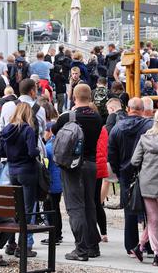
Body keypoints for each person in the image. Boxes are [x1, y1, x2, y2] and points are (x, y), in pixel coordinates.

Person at [52, 84, 103, 261]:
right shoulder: (97, 117)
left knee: (75, 208)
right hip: (90, 164)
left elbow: (55, 132)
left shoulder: (67, 117)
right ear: (90, 97)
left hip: (72, 166)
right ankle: (92, 246)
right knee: (89, 205)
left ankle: (80, 250)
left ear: (73, 96)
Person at [129, 108, 158, 266]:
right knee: (156, 218)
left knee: (153, 219)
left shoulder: (145, 138)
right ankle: (157, 254)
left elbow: (135, 161)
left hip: (146, 182)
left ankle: (141, 246)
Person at [108, 97, 153, 255]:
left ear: (128, 109)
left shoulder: (117, 128)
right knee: (150, 209)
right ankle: (148, 243)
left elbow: (111, 154)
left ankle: (131, 245)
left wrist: (119, 171)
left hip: (125, 172)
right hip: (146, 171)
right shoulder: (149, 126)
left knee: (129, 210)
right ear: (142, 110)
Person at [0, 102, 41, 258]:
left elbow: (1, 151)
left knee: (15, 208)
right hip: (27, 171)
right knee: (28, 209)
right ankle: (22, 246)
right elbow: (32, 151)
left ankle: (10, 243)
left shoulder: (6, 130)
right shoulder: (28, 130)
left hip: (12, 170)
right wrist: (37, 151)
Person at [41, 125, 63, 246]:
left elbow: (45, 166)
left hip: (51, 183)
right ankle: (58, 233)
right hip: (59, 182)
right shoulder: (59, 143)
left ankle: (53, 235)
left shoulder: (48, 147)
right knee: (56, 208)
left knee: (49, 209)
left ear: (49, 132)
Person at [95, 118, 109, 243]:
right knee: (97, 202)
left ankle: (93, 231)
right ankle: (103, 232)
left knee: (89, 201)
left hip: (91, 163)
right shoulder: (103, 129)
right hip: (101, 164)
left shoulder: (88, 127)